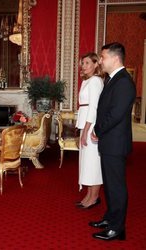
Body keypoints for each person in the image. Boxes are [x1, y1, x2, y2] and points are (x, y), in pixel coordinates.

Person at [90, 42, 136, 241]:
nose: (100, 61)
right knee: (109, 184)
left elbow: (115, 114)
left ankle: (117, 229)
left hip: (115, 142)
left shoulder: (124, 81)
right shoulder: (113, 79)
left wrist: (98, 130)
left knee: (116, 186)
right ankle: (110, 218)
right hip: (109, 142)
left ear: (115, 58)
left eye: (103, 57)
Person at [75, 52, 104, 209]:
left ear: (95, 65)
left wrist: (86, 130)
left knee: (93, 163)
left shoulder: (95, 81)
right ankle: (89, 195)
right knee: (87, 162)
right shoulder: (87, 81)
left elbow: (93, 108)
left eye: (87, 63)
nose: (84, 66)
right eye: (83, 63)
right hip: (85, 124)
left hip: (91, 125)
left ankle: (94, 197)